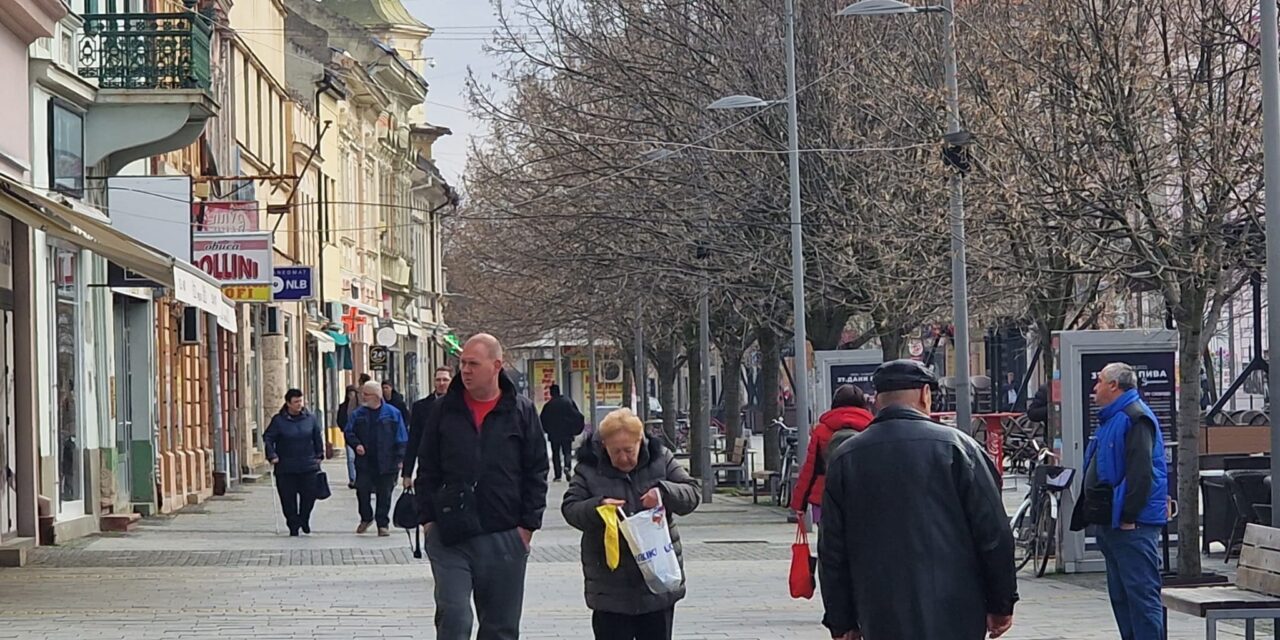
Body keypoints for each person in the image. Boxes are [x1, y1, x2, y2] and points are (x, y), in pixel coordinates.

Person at [820, 359, 1018, 640]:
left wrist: (841, 621)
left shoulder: (846, 458)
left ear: (877, 400)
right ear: (926, 394)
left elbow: (832, 549)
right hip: (956, 607)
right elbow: (994, 535)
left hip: (879, 610)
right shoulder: (960, 449)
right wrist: (1001, 603)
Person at [416, 333, 549, 640]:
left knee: (500, 628)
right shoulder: (443, 410)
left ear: (496, 365)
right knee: (454, 617)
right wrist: (429, 521)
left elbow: (537, 470)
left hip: (504, 534)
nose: (465, 370)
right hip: (450, 534)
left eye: (473, 363)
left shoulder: (521, 411)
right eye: (462, 363)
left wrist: (527, 527)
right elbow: (428, 468)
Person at [562, 408, 700, 640]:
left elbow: (692, 493)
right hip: (610, 582)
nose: (624, 458)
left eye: (629, 450)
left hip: (657, 579)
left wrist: (663, 492)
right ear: (604, 445)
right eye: (616, 452)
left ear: (640, 442)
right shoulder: (588, 468)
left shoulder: (661, 458)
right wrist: (599, 507)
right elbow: (571, 508)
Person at [1076, 362, 1168, 640]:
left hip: (1132, 527)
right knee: (1122, 597)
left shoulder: (1134, 418)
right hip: (1113, 523)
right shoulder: (1112, 418)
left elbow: (1141, 473)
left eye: (1100, 381)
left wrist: (1128, 516)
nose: (1095, 387)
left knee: (1141, 597)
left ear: (1114, 385)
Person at [790, 385, 873, 523]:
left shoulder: (822, 430)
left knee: (827, 540)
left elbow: (810, 469)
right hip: (863, 495)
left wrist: (800, 505)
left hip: (824, 496)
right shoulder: (872, 428)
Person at [345, 380, 408, 536]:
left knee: (384, 493)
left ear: (376, 396)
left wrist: (400, 458)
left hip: (387, 460)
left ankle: (382, 523)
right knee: (362, 491)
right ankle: (366, 517)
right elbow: (349, 432)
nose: (363, 397)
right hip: (365, 461)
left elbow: (401, 436)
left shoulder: (392, 413)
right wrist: (356, 444)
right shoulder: (358, 414)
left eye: (366, 394)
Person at [263, 389, 325, 536]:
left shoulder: (310, 419)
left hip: (308, 465)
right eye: (296, 402)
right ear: (288, 403)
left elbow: (317, 437)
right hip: (286, 467)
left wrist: (319, 454)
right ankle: (293, 524)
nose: (299, 404)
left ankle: (304, 519)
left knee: (309, 496)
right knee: (288, 499)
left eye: (300, 401)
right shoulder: (278, 421)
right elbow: (268, 438)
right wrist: (272, 455)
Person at [403, 366, 453, 488]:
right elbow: (413, 441)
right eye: (438, 380)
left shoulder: (460, 406)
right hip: (428, 470)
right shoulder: (420, 407)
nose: (441, 383)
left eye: (445, 380)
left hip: (453, 471)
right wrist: (407, 474)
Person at [540, 384, 585, 482]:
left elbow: (543, 420)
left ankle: (558, 475)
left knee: (556, 454)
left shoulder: (549, 405)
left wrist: (548, 430)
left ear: (551, 393)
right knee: (567, 452)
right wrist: (575, 429)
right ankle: (567, 467)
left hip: (554, 434)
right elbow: (577, 415)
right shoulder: (568, 402)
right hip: (567, 433)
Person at [337, 385, 359, 489]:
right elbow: (340, 419)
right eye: (350, 393)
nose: (351, 395)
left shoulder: (360, 407)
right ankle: (352, 479)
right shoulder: (343, 407)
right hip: (349, 435)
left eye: (353, 393)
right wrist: (344, 428)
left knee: (357, 458)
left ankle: (358, 478)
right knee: (351, 457)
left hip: (359, 436)